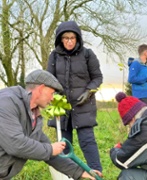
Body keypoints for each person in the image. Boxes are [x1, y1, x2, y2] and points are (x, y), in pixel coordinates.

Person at [0, 69, 102, 180]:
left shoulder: (34, 116)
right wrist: (50, 149)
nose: (52, 98)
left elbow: (51, 155)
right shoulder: (6, 103)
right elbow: (15, 144)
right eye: (52, 93)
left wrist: (80, 171)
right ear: (40, 89)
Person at [47, 21, 103, 172]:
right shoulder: (54, 56)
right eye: (66, 38)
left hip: (83, 105)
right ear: (60, 39)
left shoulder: (87, 54)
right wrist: (53, 95)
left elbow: (97, 77)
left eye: (72, 38)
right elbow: (48, 79)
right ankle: (67, 174)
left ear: (77, 38)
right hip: (62, 107)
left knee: (87, 141)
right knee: (63, 143)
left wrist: (89, 91)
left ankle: (96, 172)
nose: (69, 41)